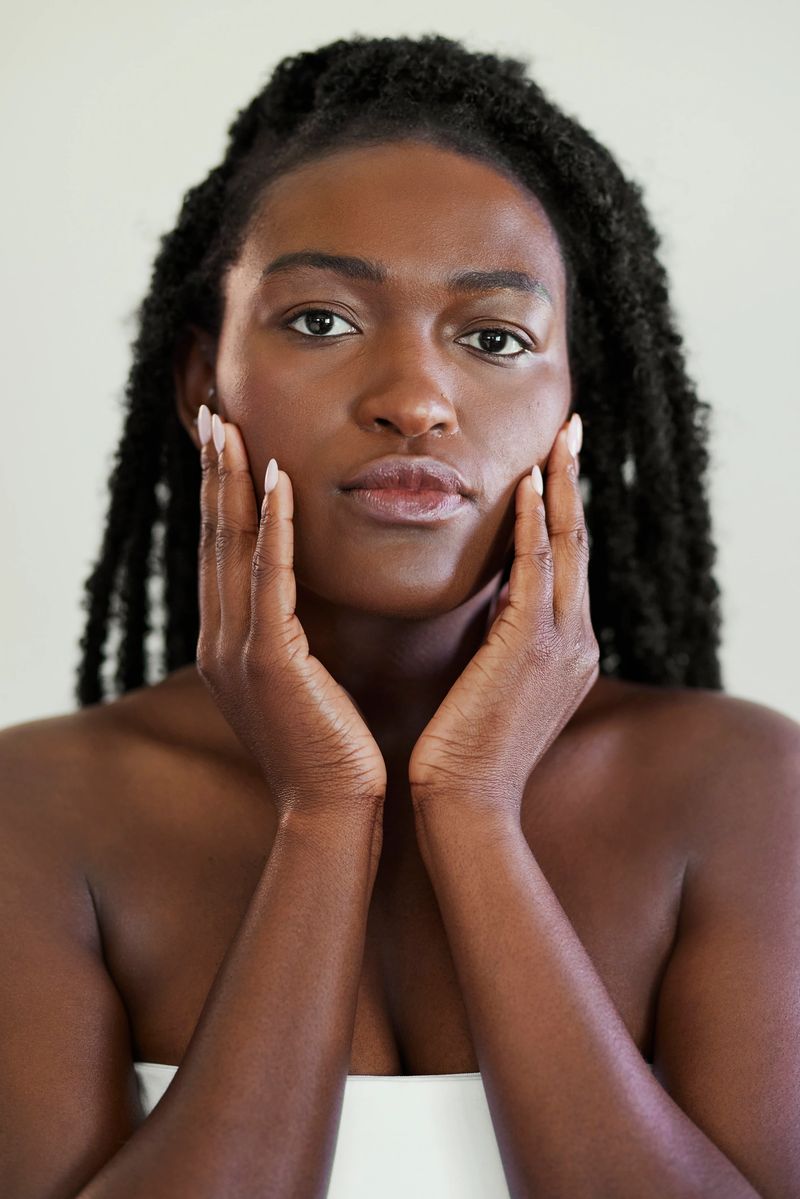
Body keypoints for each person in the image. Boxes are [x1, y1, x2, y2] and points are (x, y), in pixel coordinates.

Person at [2, 31, 798, 1199]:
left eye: (493, 337)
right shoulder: (37, 810)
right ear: (198, 380)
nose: (415, 401)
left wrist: (473, 806)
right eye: (321, 320)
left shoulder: (744, 790)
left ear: (577, 398)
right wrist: (321, 813)